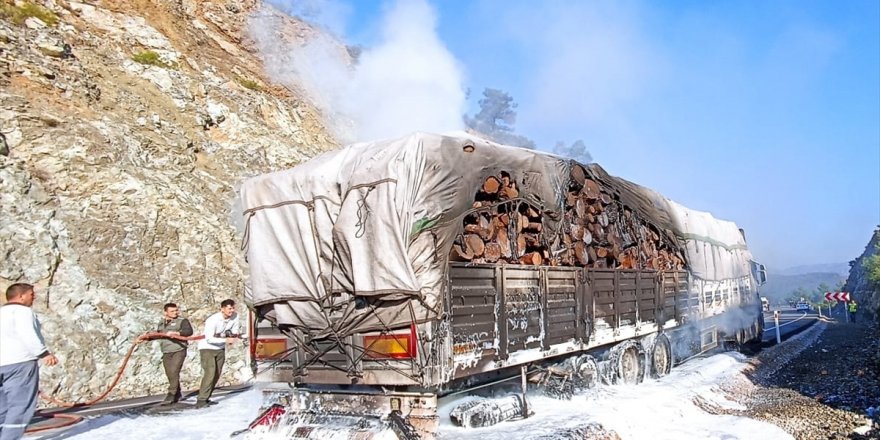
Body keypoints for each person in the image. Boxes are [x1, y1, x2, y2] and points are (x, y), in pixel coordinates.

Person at [0, 284, 58, 440]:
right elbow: (28, 335)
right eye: (31, 294)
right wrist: (44, 353)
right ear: (20, 296)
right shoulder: (23, 312)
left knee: (2, 406)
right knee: (20, 405)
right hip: (20, 363)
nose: (34, 297)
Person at [195, 299, 240, 408]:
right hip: (207, 348)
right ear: (222, 309)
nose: (231, 311)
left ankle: (207, 397)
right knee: (210, 372)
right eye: (229, 308)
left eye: (233, 308)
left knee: (217, 373)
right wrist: (225, 340)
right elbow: (209, 339)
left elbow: (234, 331)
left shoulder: (235, 317)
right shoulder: (213, 320)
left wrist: (233, 336)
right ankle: (201, 399)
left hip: (219, 348)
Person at [148, 303, 194, 405]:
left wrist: (178, 333)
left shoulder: (182, 321)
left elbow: (189, 331)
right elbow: (158, 334)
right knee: (170, 373)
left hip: (179, 349)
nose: (175, 313)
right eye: (172, 311)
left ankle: (171, 393)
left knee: (174, 371)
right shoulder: (161, 323)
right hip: (166, 351)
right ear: (165, 312)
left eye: (176, 310)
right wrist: (147, 338)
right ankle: (177, 393)